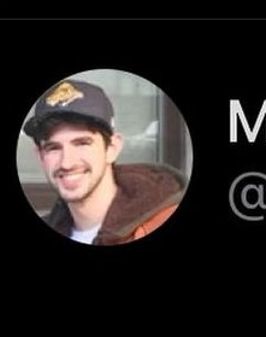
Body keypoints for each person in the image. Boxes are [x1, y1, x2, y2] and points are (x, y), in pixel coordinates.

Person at [24, 79, 187, 245]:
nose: (67, 162)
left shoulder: (159, 222)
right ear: (40, 156)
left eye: (82, 143)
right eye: (53, 148)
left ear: (112, 148)